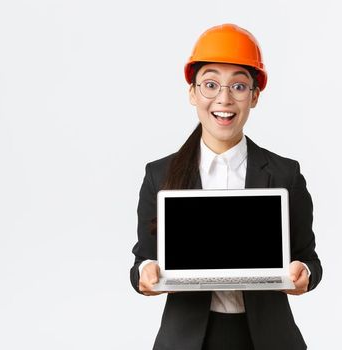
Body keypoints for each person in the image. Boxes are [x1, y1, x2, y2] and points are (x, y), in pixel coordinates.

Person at [129, 23, 323, 350]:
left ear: (255, 96)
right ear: (192, 92)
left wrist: (302, 272)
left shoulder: (285, 174)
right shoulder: (159, 176)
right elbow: (142, 260)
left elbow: (309, 260)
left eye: (238, 86)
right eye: (210, 84)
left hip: (266, 339)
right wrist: (148, 274)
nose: (224, 98)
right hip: (188, 339)